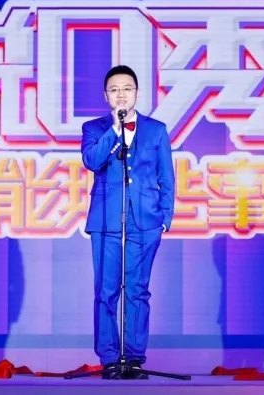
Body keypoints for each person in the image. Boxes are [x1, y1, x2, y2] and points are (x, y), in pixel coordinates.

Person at [80, 65, 175, 379]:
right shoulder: (94, 128)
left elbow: (166, 177)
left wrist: (164, 218)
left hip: (145, 221)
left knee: (137, 290)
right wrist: (115, 130)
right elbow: (92, 161)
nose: (121, 94)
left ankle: (134, 358)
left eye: (127, 88)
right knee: (106, 290)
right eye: (114, 89)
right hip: (106, 220)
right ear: (106, 95)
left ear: (136, 92)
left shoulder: (157, 130)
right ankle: (109, 358)